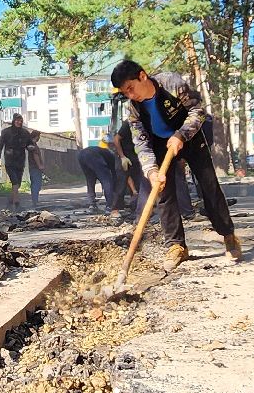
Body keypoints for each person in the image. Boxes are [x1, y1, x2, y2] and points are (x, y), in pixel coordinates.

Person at [111, 59, 242, 269]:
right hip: (160, 144)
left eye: (130, 88)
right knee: (164, 193)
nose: (130, 95)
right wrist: (151, 171)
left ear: (142, 76)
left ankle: (228, 235)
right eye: (125, 92)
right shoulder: (133, 109)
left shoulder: (171, 84)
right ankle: (176, 246)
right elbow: (141, 142)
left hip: (190, 137)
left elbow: (197, 112)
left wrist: (181, 135)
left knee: (209, 187)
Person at [0, 114, 35, 211]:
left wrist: (30, 147)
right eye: (17, 120)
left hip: (20, 160)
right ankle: (17, 204)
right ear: (13, 121)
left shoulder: (25, 133)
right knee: (15, 182)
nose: (19, 122)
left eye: (21, 121)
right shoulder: (6, 132)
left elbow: (30, 143)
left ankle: (10, 202)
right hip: (10, 160)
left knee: (18, 183)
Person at [77, 140, 121, 212]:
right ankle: (109, 206)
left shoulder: (104, 151)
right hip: (93, 155)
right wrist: (115, 189)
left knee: (90, 180)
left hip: (81, 155)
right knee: (107, 180)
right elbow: (114, 175)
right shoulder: (113, 156)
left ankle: (92, 204)